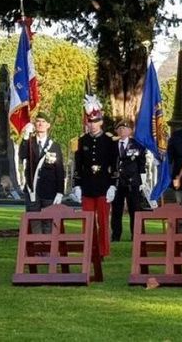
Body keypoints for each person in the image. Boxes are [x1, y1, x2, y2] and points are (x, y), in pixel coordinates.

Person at [73, 95, 118, 257]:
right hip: (87, 186)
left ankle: (103, 251)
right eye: (90, 122)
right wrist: (76, 185)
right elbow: (78, 165)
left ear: (101, 122)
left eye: (95, 122)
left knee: (103, 221)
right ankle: (89, 250)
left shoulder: (110, 141)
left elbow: (115, 165)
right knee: (87, 221)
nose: (92, 125)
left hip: (103, 186)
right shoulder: (81, 141)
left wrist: (113, 185)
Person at [19, 112, 65, 233]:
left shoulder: (54, 146)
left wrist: (60, 191)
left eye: (43, 122)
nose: (40, 124)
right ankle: (37, 250)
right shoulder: (29, 142)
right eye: (38, 121)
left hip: (49, 190)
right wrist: (25, 137)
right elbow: (22, 155)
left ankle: (48, 251)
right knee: (34, 224)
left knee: (48, 224)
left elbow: (59, 170)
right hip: (32, 190)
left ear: (48, 125)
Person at [111, 119, 147, 242]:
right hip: (117, 182)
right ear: (116, 131)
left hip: (133, 181)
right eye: (119, 128)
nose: (122, 130)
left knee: (135, 209)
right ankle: (116, 235)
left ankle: (136, 235)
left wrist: (142, 180)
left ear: (130, 131)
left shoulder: (137, 145)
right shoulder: (112, 145)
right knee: (116, 210)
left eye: (125, 128)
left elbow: (141, 163)